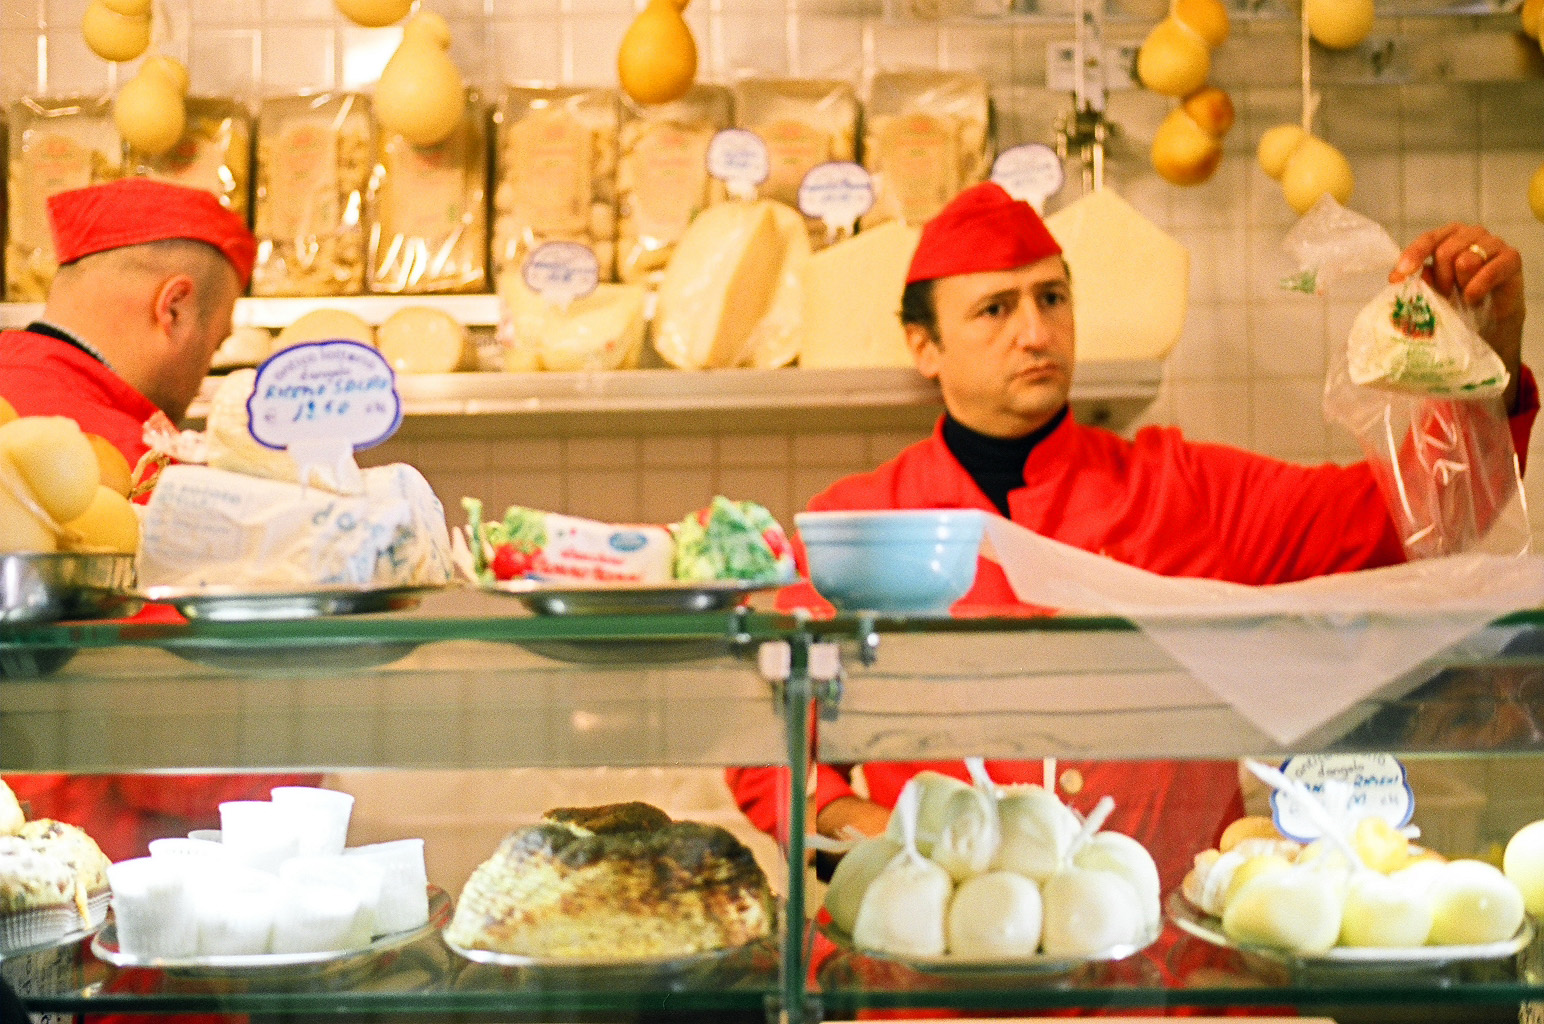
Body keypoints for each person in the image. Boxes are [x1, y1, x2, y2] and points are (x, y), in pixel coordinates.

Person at [727, 183, 1538, 897]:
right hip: (939, 965)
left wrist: (1482, 362)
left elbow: (1409, 517)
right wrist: (854, 822)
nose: (1036, 332)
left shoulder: (1184, 488)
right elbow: (761, 724)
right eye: (996, 309)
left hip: (1165, 961)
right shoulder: (861, 523)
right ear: (924, 346)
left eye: (1052, 298)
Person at [0, 179, 315, 863]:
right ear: (172, 307)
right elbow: (183, 746)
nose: (203, 374)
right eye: (215, 342)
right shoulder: (131, 463)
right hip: (86, 881)